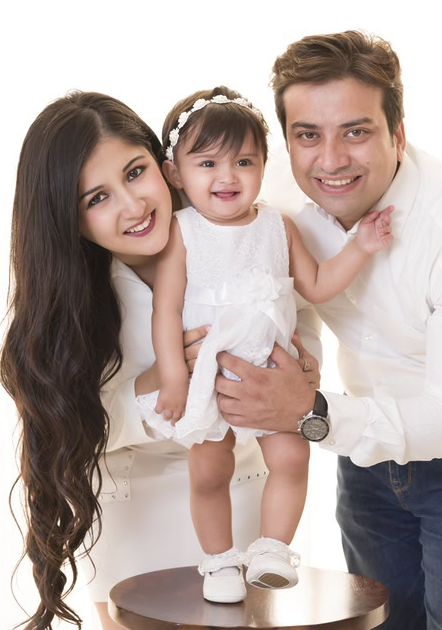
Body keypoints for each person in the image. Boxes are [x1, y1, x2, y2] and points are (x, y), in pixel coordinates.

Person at [213, 31, 442, 630]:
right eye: (307, 134)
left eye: (356, 132)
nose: (330, 160)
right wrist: (296, 351)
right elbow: (280, 283)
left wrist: (310, 410)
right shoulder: (278, 195)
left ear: (398, 132)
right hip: (363, 434)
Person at [0, 91, 321, 630]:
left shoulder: (246, 231)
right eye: (97, 198)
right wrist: (160, 387)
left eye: (135, 172)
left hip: (236, 480)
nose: (133, 204)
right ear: (68, 219)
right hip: (137, 494)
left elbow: (294, 331)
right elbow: (74, 424)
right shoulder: (75, 297)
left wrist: (300, 377)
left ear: (165, 163)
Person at [137, 86, 393, 603]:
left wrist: (361, 247)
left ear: (262, 165)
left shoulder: (279, 226)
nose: (227, 177)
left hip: (272, 375)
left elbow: (316, 286)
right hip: (211, 371)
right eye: (207, 163)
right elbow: (165, 311)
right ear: (174, 173)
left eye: (244, 162)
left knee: (293, 457)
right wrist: (172, 376)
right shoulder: (182, 232)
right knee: (211, 469)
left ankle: (272, 550)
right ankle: (218, 564)